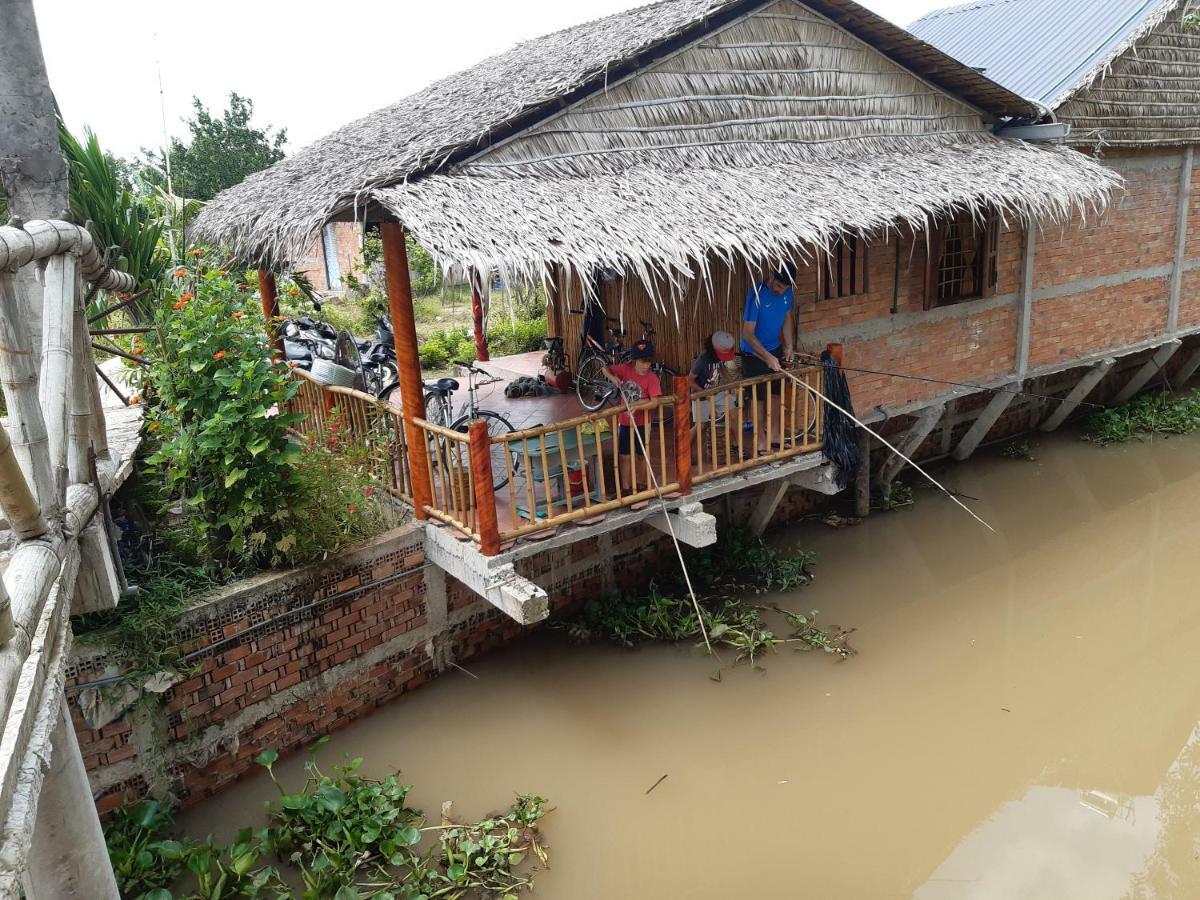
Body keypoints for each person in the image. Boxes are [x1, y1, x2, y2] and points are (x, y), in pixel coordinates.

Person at [740, 262, 796, 452]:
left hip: (775, 348)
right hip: (754, 352)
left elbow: (788, 317)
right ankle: (761, 440)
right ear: (771, 276)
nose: (781, 291)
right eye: (779, 286)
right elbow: (748, 333)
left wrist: (788, 346)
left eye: (785, 288)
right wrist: (766, 357)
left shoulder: (788, 293)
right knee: (759, 397)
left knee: (775, 393)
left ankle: (774, 435)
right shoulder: (755, 294)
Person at [603, 338, 661, 495]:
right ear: (634, 360)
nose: (646, 366)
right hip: (625, 422)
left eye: (649, 362)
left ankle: (641, 484)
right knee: (625, 456)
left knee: (641, 455)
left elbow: (654, 402)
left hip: (644, 423)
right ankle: (626, 488)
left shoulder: (652, 378)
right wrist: (613, 377)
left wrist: (637, 406)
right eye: (642, 362)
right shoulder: (625, 369)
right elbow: (605, 368)